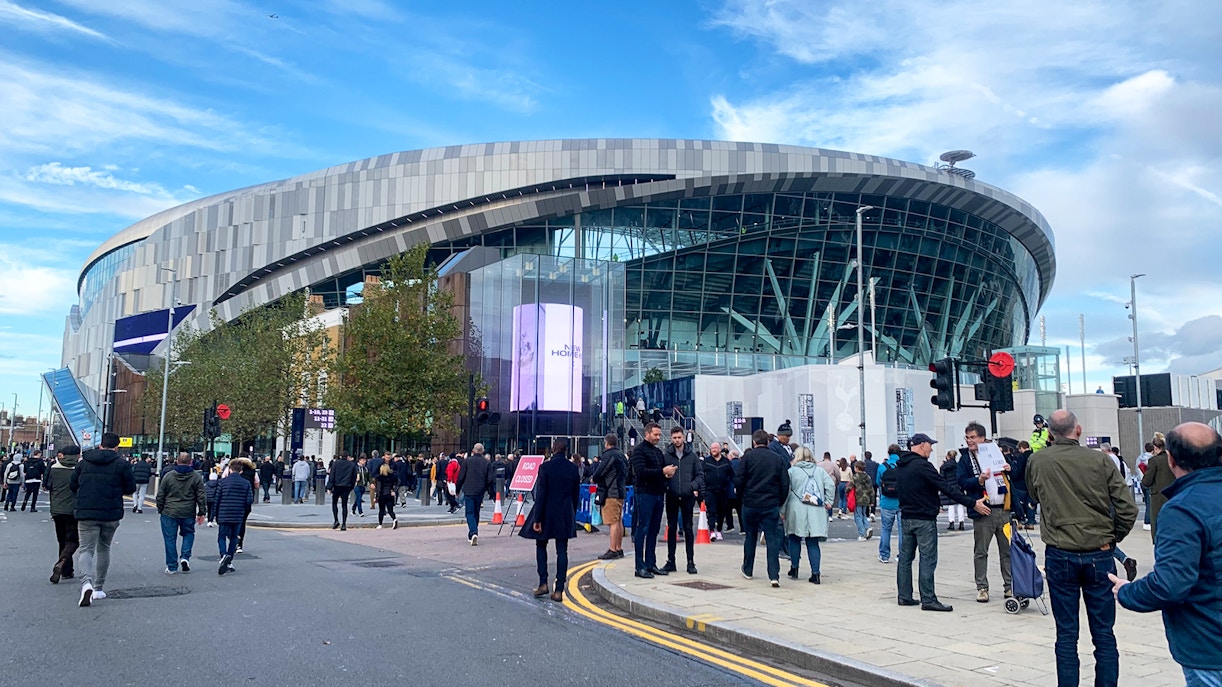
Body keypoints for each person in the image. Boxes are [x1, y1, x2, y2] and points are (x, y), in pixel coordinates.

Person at [1026, 409, 1138, 687]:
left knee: (1066, 634)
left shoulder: (1038, 460)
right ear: (1077, 431)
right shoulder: (1100, 460)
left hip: (1059, 551)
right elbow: (1127, 508)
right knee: (1103, 633)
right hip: (1098, 552)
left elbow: (1032, 494)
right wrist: (1113, 539)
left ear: (1049, 433)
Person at [1110, 422, 1222, 686]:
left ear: (1171, 459)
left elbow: (1171, 584)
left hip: (1209, 642)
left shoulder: (1182, 510)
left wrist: (1128, 592)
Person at [895, 433, 989, 612]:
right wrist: (972, 503)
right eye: (930, 445)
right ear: (922, 445)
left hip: (906, 517)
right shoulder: (923, 466)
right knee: (928, 558)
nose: (931, 448)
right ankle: (928, 599)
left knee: (905, 558)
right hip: (924, 518)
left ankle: (904, 595)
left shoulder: (901, 465)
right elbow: (946, 487)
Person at [71, 432, 137, 607]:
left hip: (86, 512)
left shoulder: (84, 463)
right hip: (111, 512)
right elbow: (130, 487)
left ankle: (86, 583)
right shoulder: (122, 464)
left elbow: (73, 485)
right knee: (104, 548)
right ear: (116, 447)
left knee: (86, 549)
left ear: (100, 445)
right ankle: (99, 588)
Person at [956, 422, 1012, 604]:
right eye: (967, 438)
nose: (969, 441)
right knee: (981, 551)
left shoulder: (995, 452)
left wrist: (1010, 469)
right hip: (983, 510)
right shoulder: (965, 459)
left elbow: (1016, 475)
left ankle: (1009, 586)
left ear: (982, 438)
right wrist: (978, 480)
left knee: (1007, 551)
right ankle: (982, 587)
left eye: (973, 437)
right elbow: (962, 482)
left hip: (1003, 508)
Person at [734, 429, 790, 587]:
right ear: (768, 442)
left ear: (754, 442)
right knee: (772, 539)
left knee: (750, 537)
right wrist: (779, 501)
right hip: (770, 504)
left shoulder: (747, 457)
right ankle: (773, 575)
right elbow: (785, 483)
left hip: (751, 503)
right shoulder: (777, 459)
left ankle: (748, 569)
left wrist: (743, 498)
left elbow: (739, 480)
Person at [529, 439, 581, 602]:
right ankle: (559, 589)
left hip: (546, 512)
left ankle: (543, 582)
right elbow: (575, 494)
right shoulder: (573, 468)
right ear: (566, 451)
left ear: (553, 450)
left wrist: (537, 518)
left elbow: (541, 494)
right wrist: (572, 512)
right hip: (564, 512)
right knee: (562, 551)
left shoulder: (545, 467)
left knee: (541, 545)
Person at [630, 422, 676, 578]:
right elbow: (641, 472)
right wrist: (662, 471)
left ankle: (651, 563)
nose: (658, 437)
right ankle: (639, 566)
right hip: (644, 493)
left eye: (659, 434)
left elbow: (659, 473)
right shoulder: (638, 451)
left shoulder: (657, 452)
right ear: (647, 434)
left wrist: (667, 475)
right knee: (642, 529)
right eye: (655, 435)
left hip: (657, 494)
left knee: (654, 530)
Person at [783, 446, 834, 583]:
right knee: (813, 542)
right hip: (815, 508)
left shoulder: (791, 472)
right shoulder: (820, 471)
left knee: (794, 538)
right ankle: (815, 573)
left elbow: (786, 491)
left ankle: (794, 568)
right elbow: (830, 485)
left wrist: (782, 510)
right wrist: (828, 501)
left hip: (795, 508)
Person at [156, 452, 206, 574]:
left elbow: (161, 495)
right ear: (191, 462)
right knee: (188, 534)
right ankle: (185, 557)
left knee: (170, 539)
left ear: (177, 461)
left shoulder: (169, 476)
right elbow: (201, 496)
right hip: (188, 511)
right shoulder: (196, 477)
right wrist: (201, 512)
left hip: (169, 511)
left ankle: (172, 566)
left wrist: (160, 508)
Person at [663, 426, 704, 574]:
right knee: (672, 528)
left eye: (679, 437)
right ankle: (671, 561)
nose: (677, 440)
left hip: (687, 496)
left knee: (688, 529)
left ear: (683, 437)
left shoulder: (692, 456)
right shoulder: (666, 455)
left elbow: (699, 475)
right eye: (674, 438)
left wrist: (691, 486)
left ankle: (690, 562)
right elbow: (662, 474)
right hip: (672, 496)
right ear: (671, 438)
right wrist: (667, 485)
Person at [43, 445, 80, 584]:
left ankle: (66, 570)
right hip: (74, 509)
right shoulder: (79, 468)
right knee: (74, 541)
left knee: (62, 540)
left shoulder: (53, 468)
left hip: (57, 509)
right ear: (77, 455)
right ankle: (63, 562)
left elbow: (47, 484)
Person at [214, 458, 254, 575]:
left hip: (224, 513)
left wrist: (215, 514)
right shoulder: (246, 483)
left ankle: (223, 555)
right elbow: (249, 500)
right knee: (233, 538)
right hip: (238, 514)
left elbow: (217, 499)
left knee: (221, 536)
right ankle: (229, 561)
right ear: (241, 471)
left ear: (230, 470)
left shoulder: (222, 482)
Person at [592, 433, 628, 560]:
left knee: (612, 522)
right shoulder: (622, 456)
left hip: (610, 492)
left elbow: (600, 472)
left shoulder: (609, 455)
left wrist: (594, 479)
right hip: (620, 491)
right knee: (618, 520)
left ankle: (613, 549)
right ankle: (618, 548)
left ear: (607, 443)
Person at [456, 443, 495, 545]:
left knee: (469, 512)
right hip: (480, 490)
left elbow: (461, 476)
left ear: (473, 450)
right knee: (476, 512)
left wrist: (457, 490)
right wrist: (490, 492)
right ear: (482, 451)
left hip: (469, 489)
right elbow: (490, 479)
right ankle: (472, 533)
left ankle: (473, 532)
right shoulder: (486, 463)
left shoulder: (467, 461)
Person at [1142, 432, 1174, 543]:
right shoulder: (1173, 459)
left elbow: (1146, 481)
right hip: (1173, 495)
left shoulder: (1154, 461)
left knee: (1158, 526)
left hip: (1158, 497)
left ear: (1155, 447)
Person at [875, 444, 904, 564]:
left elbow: (877, 482)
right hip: (901, 501)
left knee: (886, 529)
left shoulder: (882, 467)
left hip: (886, 501)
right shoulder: (903, 465)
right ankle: (902, 555)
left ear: (889, 453)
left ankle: (884, 555)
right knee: (902, 530)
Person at [702, 442, 734, 541]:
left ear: (720, 449)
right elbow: (701, 475)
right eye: (712, 448)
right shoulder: (706, 461)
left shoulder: (726, 462)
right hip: (710, 491)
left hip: (723, 491)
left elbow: (732, 474)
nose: (714, 450)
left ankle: (719, 530)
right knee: (711, 511)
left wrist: (733, 485)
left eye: (715, 448)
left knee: (721, 511)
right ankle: (711, 531)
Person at [1009, 440, 1037, 528]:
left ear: (1021, 448)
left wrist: (1012, 474)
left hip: (1021, 483)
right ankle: (1031, 522)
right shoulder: (1035, 457)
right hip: (1032, 484)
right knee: (1030, 503)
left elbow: (1018, 471)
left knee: (1019, 503)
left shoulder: (1021, 457)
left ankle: (1020, 521)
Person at [327, 454, 356, 531]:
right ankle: (344, 524)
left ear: (340, 456)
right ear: (347, 457)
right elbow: (354, 477)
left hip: (337, 486)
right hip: (346, 486)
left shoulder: (335, 463)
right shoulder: (351, 465)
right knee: (344, 505)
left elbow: (332, 475)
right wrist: (351, 487)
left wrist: (329, 487)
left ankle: (336, 520)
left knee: (334, 503)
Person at [939, 451, 966, 530]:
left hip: (949, 487)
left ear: (947, 456)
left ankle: (951, 523)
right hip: (958, 486)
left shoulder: (943, 467)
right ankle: (961, 523)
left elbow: (942, 478)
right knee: (960, 505)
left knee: (951, 506)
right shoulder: (958, 465)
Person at [851, 460, 875, 541]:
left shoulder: (855, 477)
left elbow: (849, 487)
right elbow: (871, 490)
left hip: (857, 498)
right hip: (866, 499)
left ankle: (862, 534)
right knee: (864, 515)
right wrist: (872, 501)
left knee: (858, 516)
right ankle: (868, 527)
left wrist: (846, 491)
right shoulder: (868, 477)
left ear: (857, 468)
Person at [374, 460, 399, 529]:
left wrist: (376, 497)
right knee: (390, 510)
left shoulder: (379, 478)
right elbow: (397, 483)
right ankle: (394, 519)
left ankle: (380, 524)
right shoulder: (392, 477)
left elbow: (378, 489)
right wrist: (394, 490)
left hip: (382, 495)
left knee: (381, 510)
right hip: (390, 494)